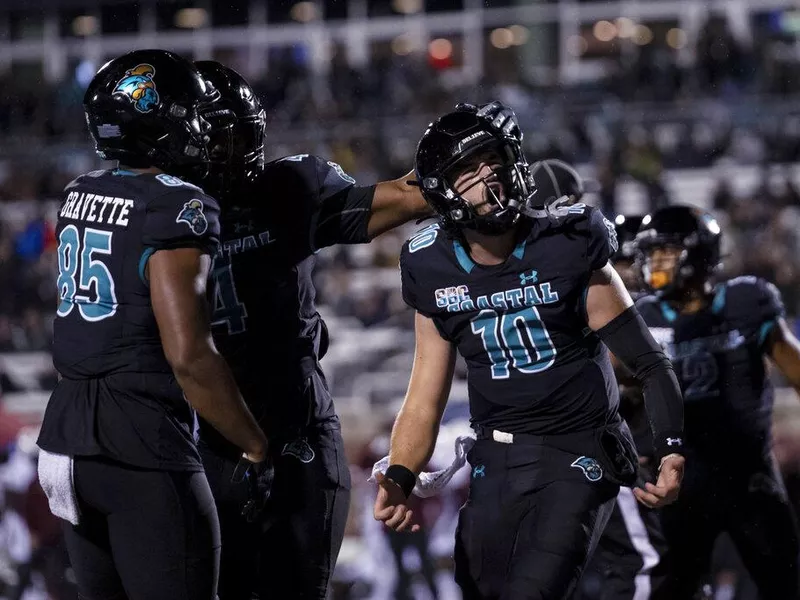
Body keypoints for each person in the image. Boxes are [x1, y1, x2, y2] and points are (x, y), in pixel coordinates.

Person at [184, 63, 516, 600]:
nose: (229, 151)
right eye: (217, 137)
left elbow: (403, 197)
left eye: (236, 135)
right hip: (206, 437)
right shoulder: (158, 212)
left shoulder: (281, 190)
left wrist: (466, 163)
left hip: (292, 429)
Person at [372, 104, 685, 599]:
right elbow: (423, 396)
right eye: (469, 171)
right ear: (442, 191)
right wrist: (401, 473)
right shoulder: (430, 265)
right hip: (495, 457)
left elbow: (649, 362)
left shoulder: (567, 241)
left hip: (579, 449)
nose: (488, 175)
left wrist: (669, 448)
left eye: (492, 160)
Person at [35, 50, 268, 600]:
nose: (201, 124)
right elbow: (189, 355)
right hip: (137, 440)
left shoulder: (80, 192)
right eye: (192, 111)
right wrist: (254, 445)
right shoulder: (177, 206)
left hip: (64, 441)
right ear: (163, 122)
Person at [633, 204, 800, 598]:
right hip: (682, 481)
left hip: (749, 475)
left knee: (784, 584)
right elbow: (613, 393)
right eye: (651, 253)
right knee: (676, 590)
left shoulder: (747, 301)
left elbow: (794, 367)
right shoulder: (643, 316)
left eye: (665, 252)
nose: (655, 263)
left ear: (698, 254)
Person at [585, 213, 673, 600]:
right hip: (622, 455)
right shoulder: (597, 304)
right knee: (640, 564)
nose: (635, 271)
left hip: (656, 456)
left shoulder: (662, 310)